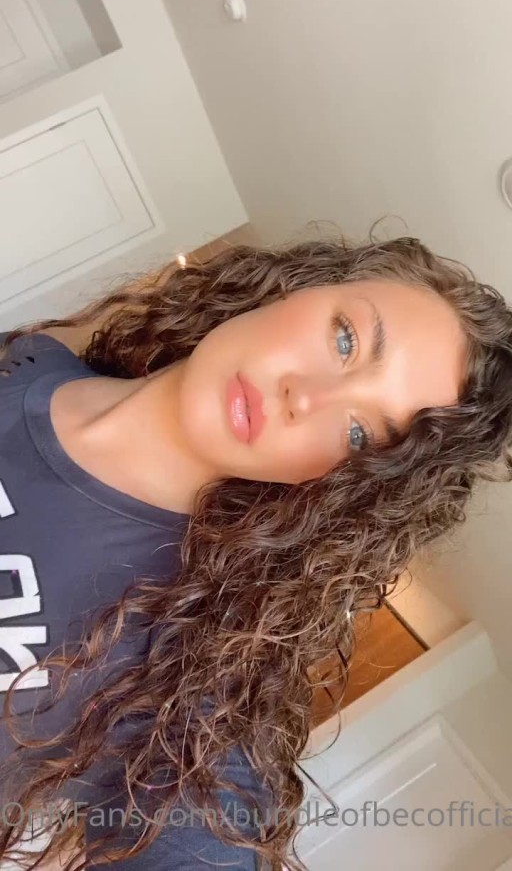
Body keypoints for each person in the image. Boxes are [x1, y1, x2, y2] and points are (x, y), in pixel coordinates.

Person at [1, 234, 512, 871]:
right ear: (296, 286)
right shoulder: (33, 360)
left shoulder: (183, 671)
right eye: (346, 340)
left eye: (359, 434)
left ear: (341, 487)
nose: (307, 397)